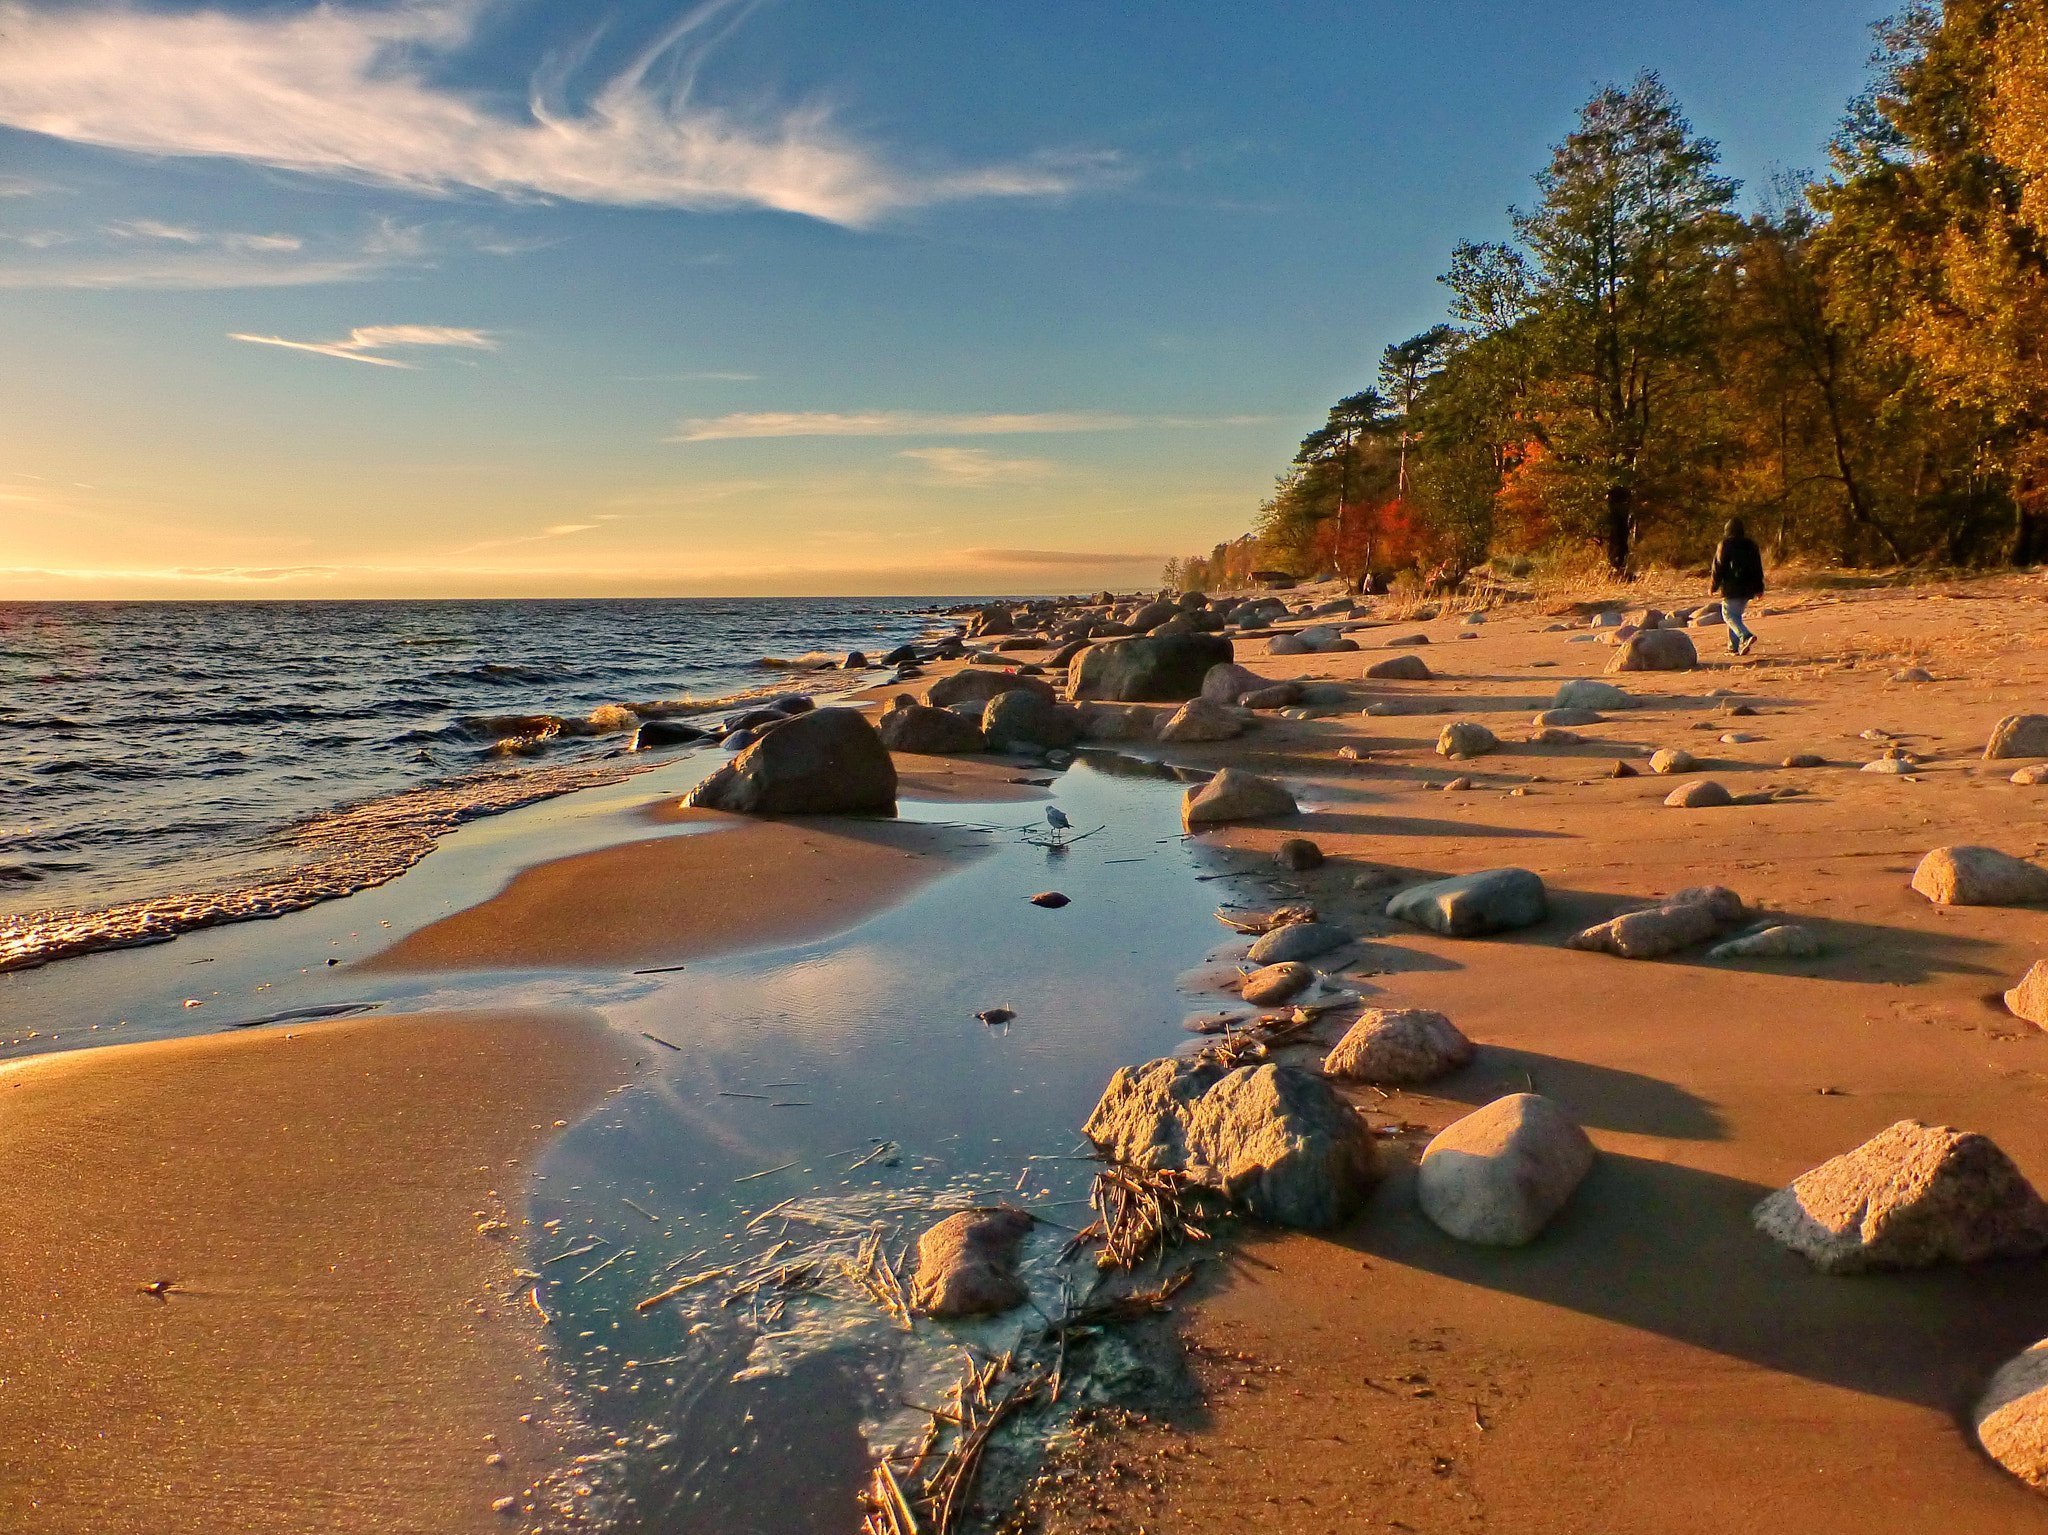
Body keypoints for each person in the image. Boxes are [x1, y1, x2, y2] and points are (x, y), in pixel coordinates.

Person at [1709, 517, 1765, 656]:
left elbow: (1718, 567)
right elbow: (1757, 567)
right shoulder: (1751, 545)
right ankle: (1732, 647)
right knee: (1735, 616)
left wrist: (1713, 586)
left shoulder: (1725, 544)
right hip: (1748, 588)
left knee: (1728, 614)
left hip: (1731, 587)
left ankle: (1745, 636)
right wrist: (1759, 588)